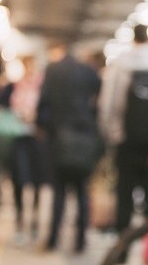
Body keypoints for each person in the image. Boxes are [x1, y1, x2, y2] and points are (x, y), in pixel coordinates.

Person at [98, 24, 148, 234]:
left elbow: (108, 103)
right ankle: (147, 244)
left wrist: (110, 133)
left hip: (125, 139)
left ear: (133, 38)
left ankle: (122, 247)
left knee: (124, 191)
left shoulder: (119, 64)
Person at [36, 42, 102, 253]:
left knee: (59, 192)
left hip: (59, 138)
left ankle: (53, 240)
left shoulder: (53, 70)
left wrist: (42, 126)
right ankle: (81, 241)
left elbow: (43, 103)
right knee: (82, 191)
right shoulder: (89, 72)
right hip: (84, 138)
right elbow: (99, 101)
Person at [8, 55, 46, 245]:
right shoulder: (15, 86)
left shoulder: (43, 87)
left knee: (37, 182)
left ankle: (34, 222)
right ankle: (20, 221)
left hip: (36, 138)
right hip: (18, 138)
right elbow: (3, 105)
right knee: (19, 181)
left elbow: (47, 109)